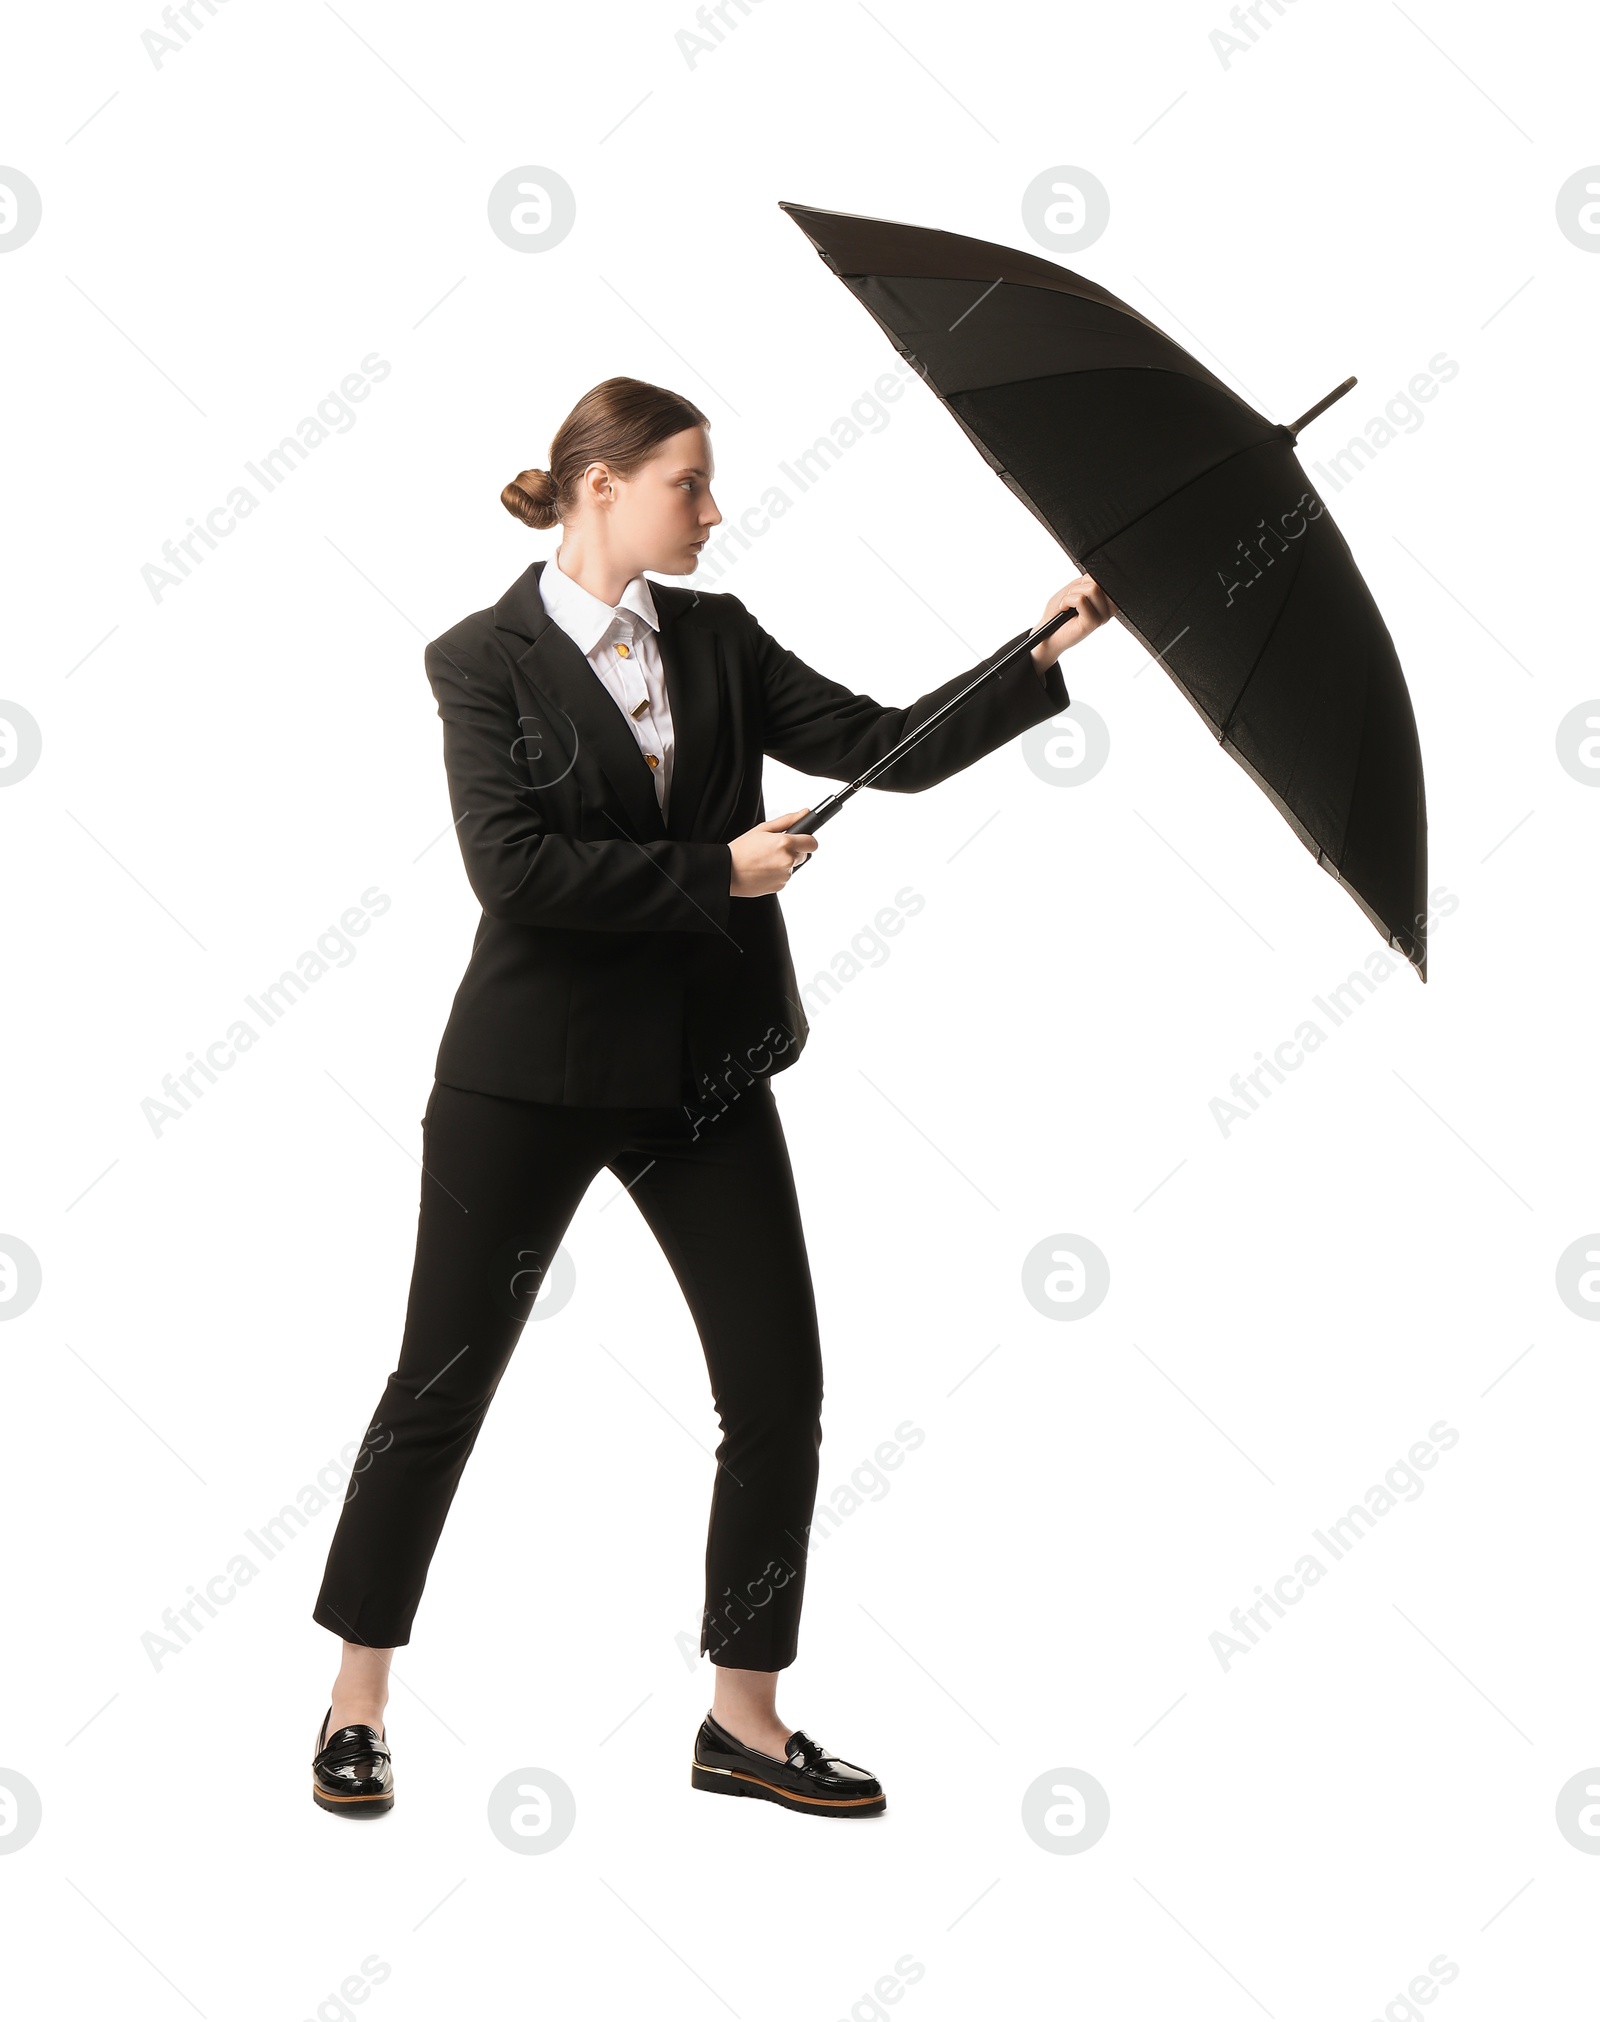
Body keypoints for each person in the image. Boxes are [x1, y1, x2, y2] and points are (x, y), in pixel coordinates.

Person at [308, 374, 1115, 1821]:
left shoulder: (721, 637)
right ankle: (355, 1698)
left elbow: (888, 743)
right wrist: (714, 873)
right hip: (528, 1077)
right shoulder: (478, 659)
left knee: (780, 1388)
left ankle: (745, 1717)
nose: (715, 507)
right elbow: (517, 872)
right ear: (601, 484)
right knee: (443, 1382)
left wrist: (1038, 647)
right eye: (691, 480)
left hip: (703, 1070)